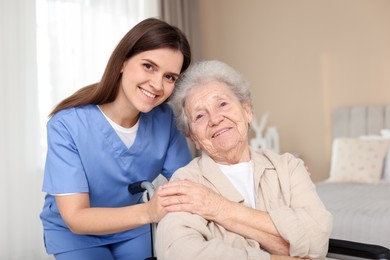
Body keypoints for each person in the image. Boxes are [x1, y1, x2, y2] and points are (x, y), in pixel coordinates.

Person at [40, 18, 192, 260]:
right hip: (76, 233)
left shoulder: (166, 121)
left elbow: (188, 182)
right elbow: (76, 217)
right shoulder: (67, 125)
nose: (157, 84)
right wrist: (148, 212)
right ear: (122, 61)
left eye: (170, 77)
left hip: (131, 228)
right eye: (149, 66)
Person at [155, 60, 333, 260]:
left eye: (222, 104)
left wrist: (218, 208)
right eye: (200, 116)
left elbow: (318, 241)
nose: (215, 119)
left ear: (247, 111)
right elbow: (178, 253)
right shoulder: (186, 183)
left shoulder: (289, 166)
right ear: (193, 137)